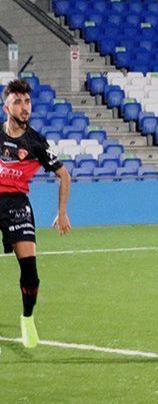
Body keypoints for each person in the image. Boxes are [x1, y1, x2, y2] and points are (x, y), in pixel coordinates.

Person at [0, 79, 72, 350]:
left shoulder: (37, 142)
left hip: (17, 204)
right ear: (6, 107)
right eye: (18, 101)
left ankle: (27, 318)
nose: (24, 107)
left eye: (27, 101)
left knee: (30, 273)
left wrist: (62, 212)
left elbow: (64, 176)